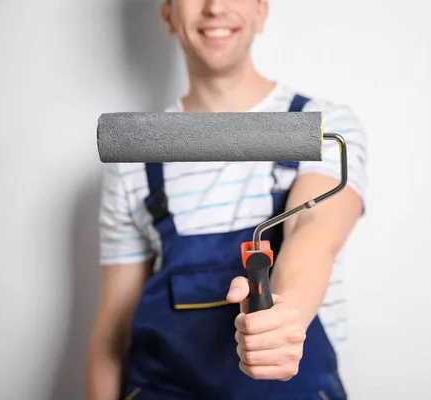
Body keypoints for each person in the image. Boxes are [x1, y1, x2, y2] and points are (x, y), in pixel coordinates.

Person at [85, 0, 367, 399]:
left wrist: (283, 320)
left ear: (261, 10)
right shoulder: (134, 156)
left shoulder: (322, 128)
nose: (215, 7)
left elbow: (313, 232)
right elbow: (112, 334)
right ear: (167, 15)